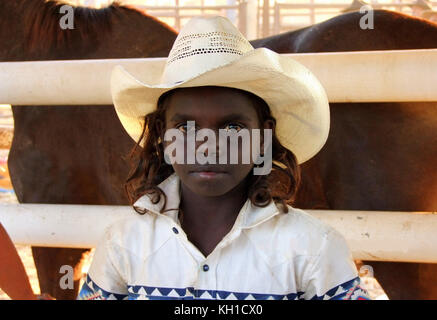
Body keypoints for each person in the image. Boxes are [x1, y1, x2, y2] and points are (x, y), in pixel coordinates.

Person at [77, 16, 370, 300]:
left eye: (233, 127)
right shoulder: (123, 244)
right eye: (185, 127)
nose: (208, 147)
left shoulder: (313, 248)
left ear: (263, 137)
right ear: (161, 135)